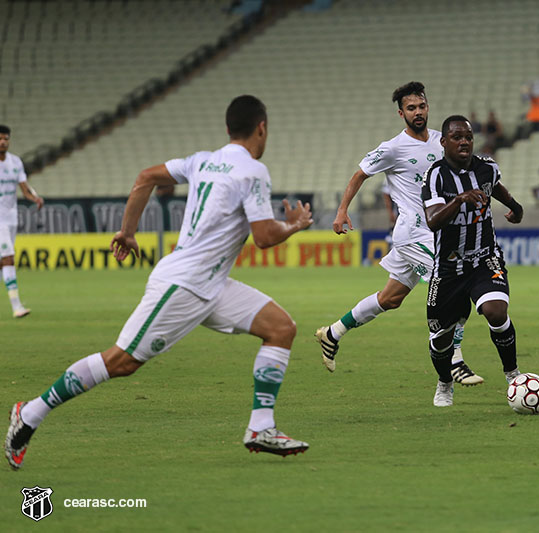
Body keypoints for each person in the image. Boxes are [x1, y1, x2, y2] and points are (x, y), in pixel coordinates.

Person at [5, 96, 313, 469]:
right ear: (261, 128)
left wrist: (127, 231)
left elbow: (146, 177)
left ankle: (261, 427)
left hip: (211, 283)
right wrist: (294, 225)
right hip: (183, 284)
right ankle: (30, 412)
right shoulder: (252, 171)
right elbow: (263, 237)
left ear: (228, 128)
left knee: (280, 328)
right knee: (121, 361)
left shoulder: (202, 160)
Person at [315, 82, 483, 386]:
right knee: (454, 283)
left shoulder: (442, 141)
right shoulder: (392, 148)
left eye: (422, 106)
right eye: (411, 108)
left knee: (390, 298)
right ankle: (455, 359)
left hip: (437, 233)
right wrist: (342, 211)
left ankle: (333, 332)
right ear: (401, 113)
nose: (418, 112)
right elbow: (359, 174)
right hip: (414, 233)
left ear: (428, 107)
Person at [421, 115, 525, 406]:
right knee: (440, 337)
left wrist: (514, 206)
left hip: (484, 259)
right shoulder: (435, 176)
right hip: (448, 268)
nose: (464, 142)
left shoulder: (486, 167)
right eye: (457, 137)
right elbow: (433, 221)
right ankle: (444, 383)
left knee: (496, 312)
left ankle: (513, 375)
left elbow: (494, 186)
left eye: (468, 136)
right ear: (444, 142)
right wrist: (458, 200)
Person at [0, 124, 44, 318]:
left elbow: (24, 188)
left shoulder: (15, 162)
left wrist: (35, 197)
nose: (3, 142)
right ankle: (16, 306)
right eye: (0, 138)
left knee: (3, 262)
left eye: (6, 139)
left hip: (11, 218)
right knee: (8, 258)